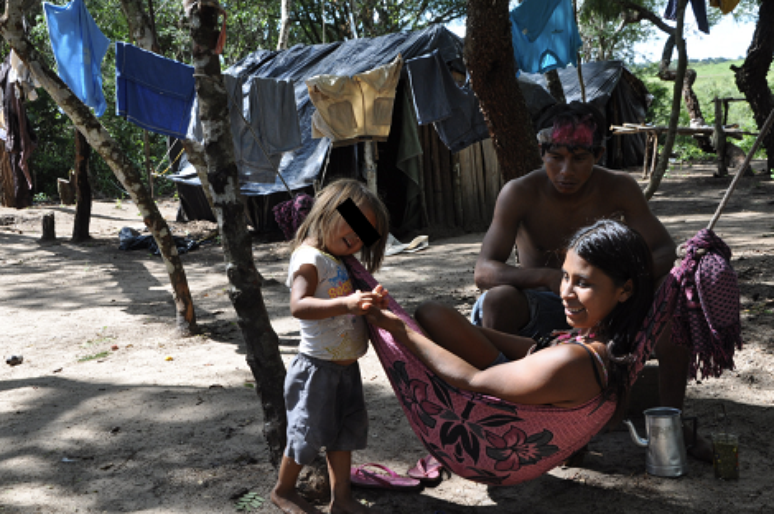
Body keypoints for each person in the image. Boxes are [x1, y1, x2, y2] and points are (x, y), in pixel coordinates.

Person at [470, 101, 711, 461]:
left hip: (605, 310)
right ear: (542, 151)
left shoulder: (618, 188)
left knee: (671, 294)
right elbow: (484, 272)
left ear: (598, 153)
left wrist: (614, 286)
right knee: (497, 300)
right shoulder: (520, 192)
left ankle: (671, 424)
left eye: (579, 158)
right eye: (556, 157)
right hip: (546, 305)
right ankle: (514, 420)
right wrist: (550, 278)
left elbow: (663, 250)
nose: (566, 170)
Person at [366, 220, 653, 421]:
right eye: (565, 277)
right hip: (531, 370)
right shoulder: (603, 340)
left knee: (429, 320)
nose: (565, 292)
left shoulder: (575, 361)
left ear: (625, 290)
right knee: (431, 314)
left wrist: (398, 329)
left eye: (583, 283)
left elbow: (473, 380)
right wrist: (471, 334)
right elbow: (536, 350)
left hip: (501, 406)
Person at [271, 179, 390, 514]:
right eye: (351, 228)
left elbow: (345, 302)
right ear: (329, 212)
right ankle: (282, 491)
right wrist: (349, 305)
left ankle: (342, 499)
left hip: (346, 369)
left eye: (363, 236)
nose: (354, 240)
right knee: (304, 435)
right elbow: (299, 306)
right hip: (316, 370)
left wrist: (367, 303)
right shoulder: (309, 258)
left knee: (343, 436)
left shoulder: (339, 258)